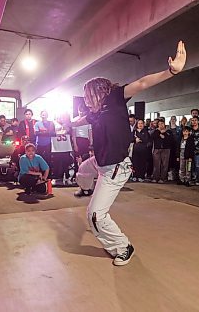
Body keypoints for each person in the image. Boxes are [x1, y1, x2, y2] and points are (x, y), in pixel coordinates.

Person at [70, 41, 187, 266]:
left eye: (87, 95)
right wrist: (69, 122)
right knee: (82, 171)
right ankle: (86, 188)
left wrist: (171, 71)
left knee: (95, 216)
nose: (85, 100)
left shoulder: (115, 97)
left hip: (115, 168)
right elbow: (81, 120)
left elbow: (142, 82)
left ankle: (124, 247)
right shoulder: (95, 113)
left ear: (99, 92)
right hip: (100, 162)